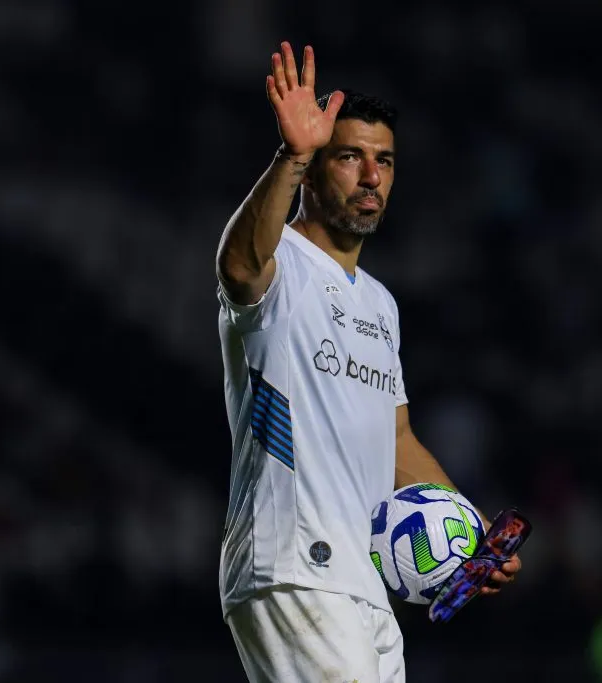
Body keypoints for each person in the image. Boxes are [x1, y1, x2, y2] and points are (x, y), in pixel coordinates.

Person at [215, 41, 523, 682]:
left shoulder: (380, 304)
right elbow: (239, 266)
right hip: (295, 563)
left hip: (362, 580)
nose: (371, 177)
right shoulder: (281, 266)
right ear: (315, 168)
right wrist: (290, 155)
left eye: (383, 161)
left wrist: (471, 537)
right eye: (349, 156)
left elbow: (397, 439)